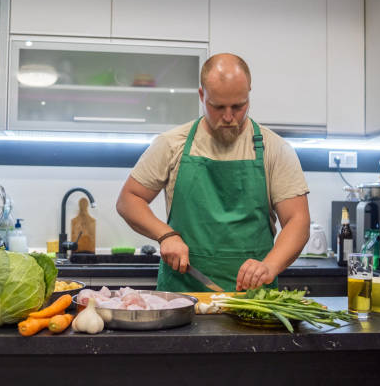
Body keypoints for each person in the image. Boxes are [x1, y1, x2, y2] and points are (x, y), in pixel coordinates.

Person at [116, 53, 311, 292]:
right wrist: (165, 235)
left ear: (249, 94)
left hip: (254, 300)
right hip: (183, 298)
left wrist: (269, 266)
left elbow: (297, 220)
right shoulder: (171, 144)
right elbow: (129, 199)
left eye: (238, 107)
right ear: (202, 96)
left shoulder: (275, 149)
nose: (228, 117)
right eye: (218, 107)